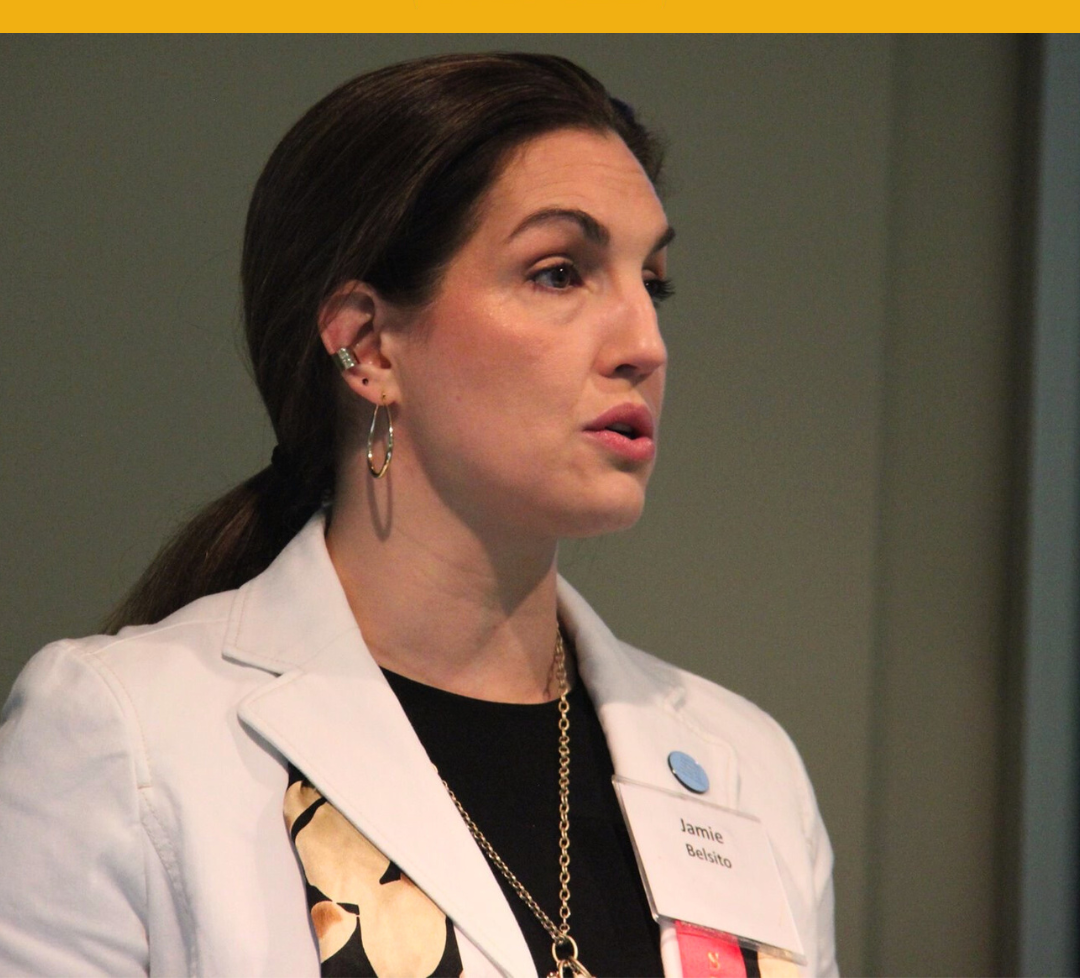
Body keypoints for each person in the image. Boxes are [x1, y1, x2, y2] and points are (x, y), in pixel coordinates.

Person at [0, 53, 836, 977]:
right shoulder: (129, 736)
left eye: (654, 282)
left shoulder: (746, 769)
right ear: (368, 347)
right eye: (560, 273)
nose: (646, 343)